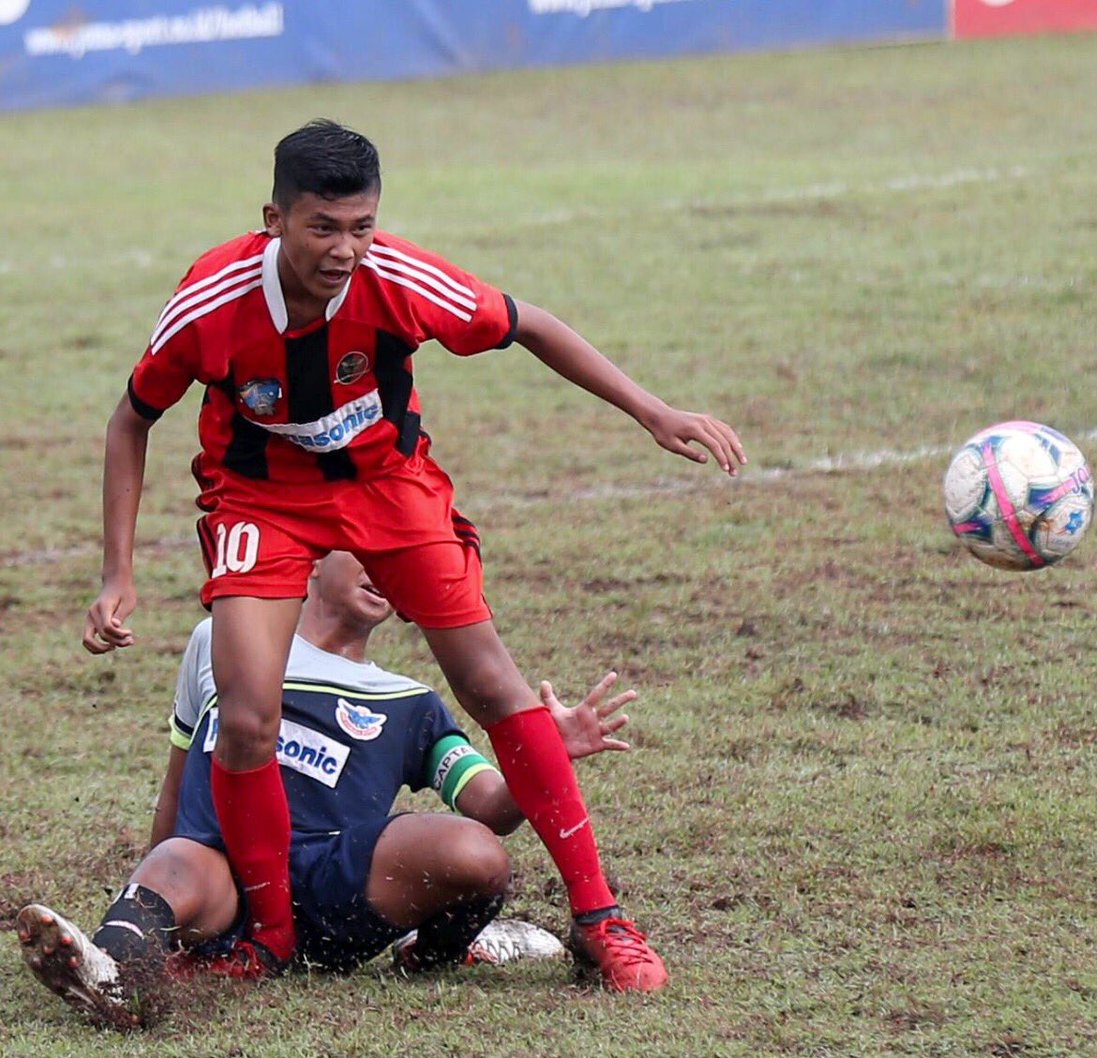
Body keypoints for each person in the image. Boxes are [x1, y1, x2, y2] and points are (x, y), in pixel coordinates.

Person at [82, 118, 745, 990]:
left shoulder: (398, 277)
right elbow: (132, 418)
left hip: (390, 484)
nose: (345, 249)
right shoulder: (211, 297)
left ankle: (600, 919)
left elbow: (532, 324)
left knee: (492, 685)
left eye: (361, 226)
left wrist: (651, 410)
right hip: (261, 496)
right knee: (245, 715)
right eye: (324, 227)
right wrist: (117, 573)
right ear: (274, 217)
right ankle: (270, 937)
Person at [21, 551, 636, 1028]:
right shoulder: (221, 640)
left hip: (334, 893)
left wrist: (548, 754)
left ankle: (431, 951)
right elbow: (176, 785)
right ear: (313, 556)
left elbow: (493, 809)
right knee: (178, 856)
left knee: (477, 853)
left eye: (394, 562)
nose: (383, 572)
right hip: (221, 882)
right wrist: (150, 888)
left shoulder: (407, 700)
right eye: (366, 551)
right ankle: (110, 975)